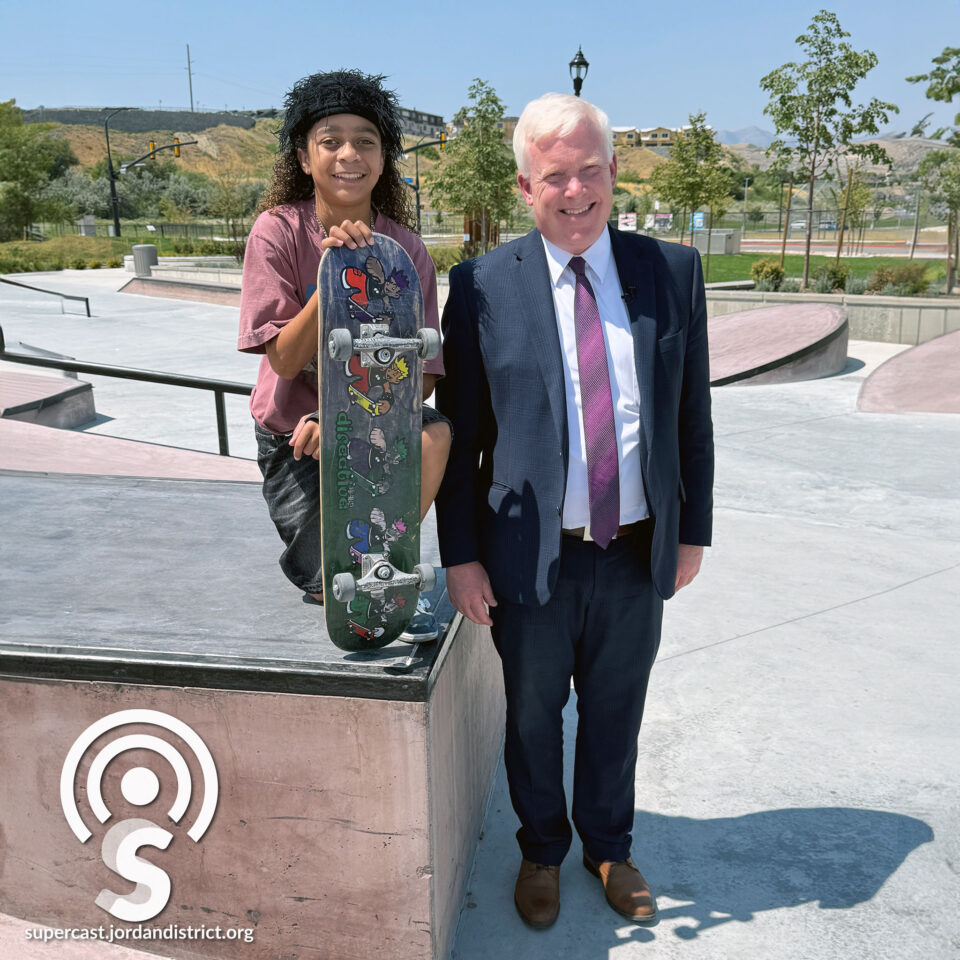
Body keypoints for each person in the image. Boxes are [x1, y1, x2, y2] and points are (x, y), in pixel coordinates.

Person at [435, 93, 713, 927]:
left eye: (591, 170)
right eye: (556, 175)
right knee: (531, 718)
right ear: (526, 186)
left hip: (634, 550)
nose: (577, 190)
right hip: (529, 556)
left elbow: (690, 416)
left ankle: (608, 846)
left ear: (614, 172)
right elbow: (463, 435)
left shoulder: (671, 271)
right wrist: (459, 554)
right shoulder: (482, 285)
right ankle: (542, 850)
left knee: (617, 710)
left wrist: (692, 528)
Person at [238, 70, 450, 637]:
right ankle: (343, 566)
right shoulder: (277, 232)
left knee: (434, 434)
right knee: (322, 575)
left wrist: (337, 418)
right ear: (304, 158)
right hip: (295, 444)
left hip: (366, 431)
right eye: (330, 141)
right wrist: (333, 274)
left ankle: (390, 571)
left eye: (366, 141)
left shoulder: (405, 251)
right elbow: (283, 360)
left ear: (384, 160)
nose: (348, 154)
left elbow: (423, 377)